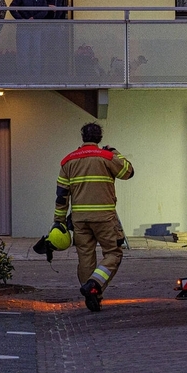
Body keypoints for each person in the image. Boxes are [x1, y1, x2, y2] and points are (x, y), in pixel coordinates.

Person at [54, 123, 134, 312]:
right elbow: (128, 172)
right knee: (113, 254)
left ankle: (92, 295)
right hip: (105, 217)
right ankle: (95, 284)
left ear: (83, 137)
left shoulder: (68, 161)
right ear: (99, 138)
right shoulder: (107, 157)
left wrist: (58, 221)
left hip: (80, 219)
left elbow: (61, 195)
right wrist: (116, 152)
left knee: (85, 258)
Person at [9, 0, 47, 77]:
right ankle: (23, 75)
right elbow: (12, 8)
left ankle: (35, 75)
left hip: (36, 27)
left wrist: (35, 18)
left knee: (36, 51)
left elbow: (45, 10)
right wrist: (21, 19)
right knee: (23, 51)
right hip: (23, 27)